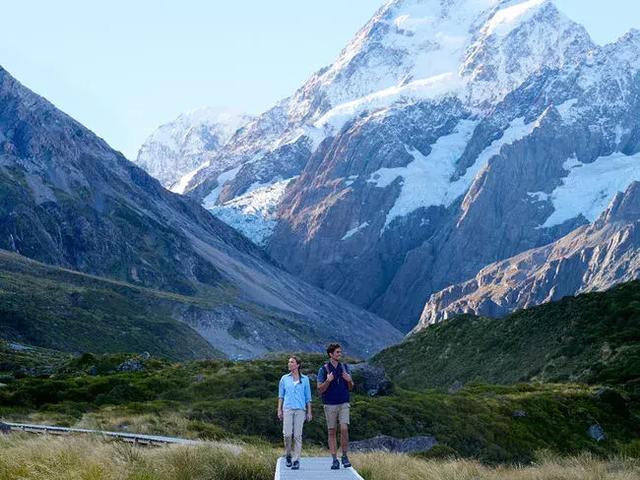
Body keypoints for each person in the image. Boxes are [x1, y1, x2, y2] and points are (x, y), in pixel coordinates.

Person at [317, 343, 354, 470]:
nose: (340, 354)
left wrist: (349, 380)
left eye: (340, 352)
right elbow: (320, 390)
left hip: (344, 403)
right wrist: (328, 380)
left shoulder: (345, 367)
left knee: (344, 428)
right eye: (337, 352)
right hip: (329, 404)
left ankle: (344, 456)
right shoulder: (323, 369)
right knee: (331, 431)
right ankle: (334, 459)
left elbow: (351, 387)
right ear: (330, 354)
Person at [277, 355, 312, 470]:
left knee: (297, 435)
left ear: (297, 365)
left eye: (292, 362)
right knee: (287, 434)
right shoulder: (284, 378)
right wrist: (279, 409)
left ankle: (296, 460)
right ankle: (288, 454)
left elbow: (308, 397)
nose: (289, 364)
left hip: (300, 410)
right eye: (289, 362)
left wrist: (309, 412)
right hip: (287, 408)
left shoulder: (305, 379)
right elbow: (281, 396)